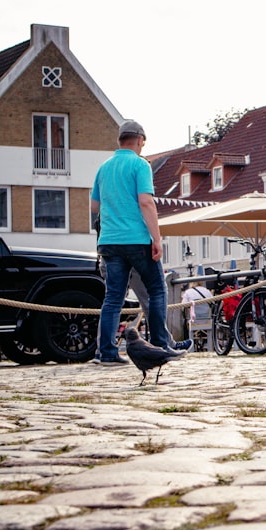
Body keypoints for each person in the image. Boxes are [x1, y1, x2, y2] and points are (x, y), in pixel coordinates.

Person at [90, 121, 184, 365]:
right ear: (140, 140)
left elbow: (94, 206)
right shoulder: (140, 165)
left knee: (113, 298)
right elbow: (146, 202)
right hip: (137, 240)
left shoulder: (104, 168)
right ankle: (162, 345)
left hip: (110, 241)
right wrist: (157, 238)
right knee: (157, 289)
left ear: (120, 141)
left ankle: (107, 353)